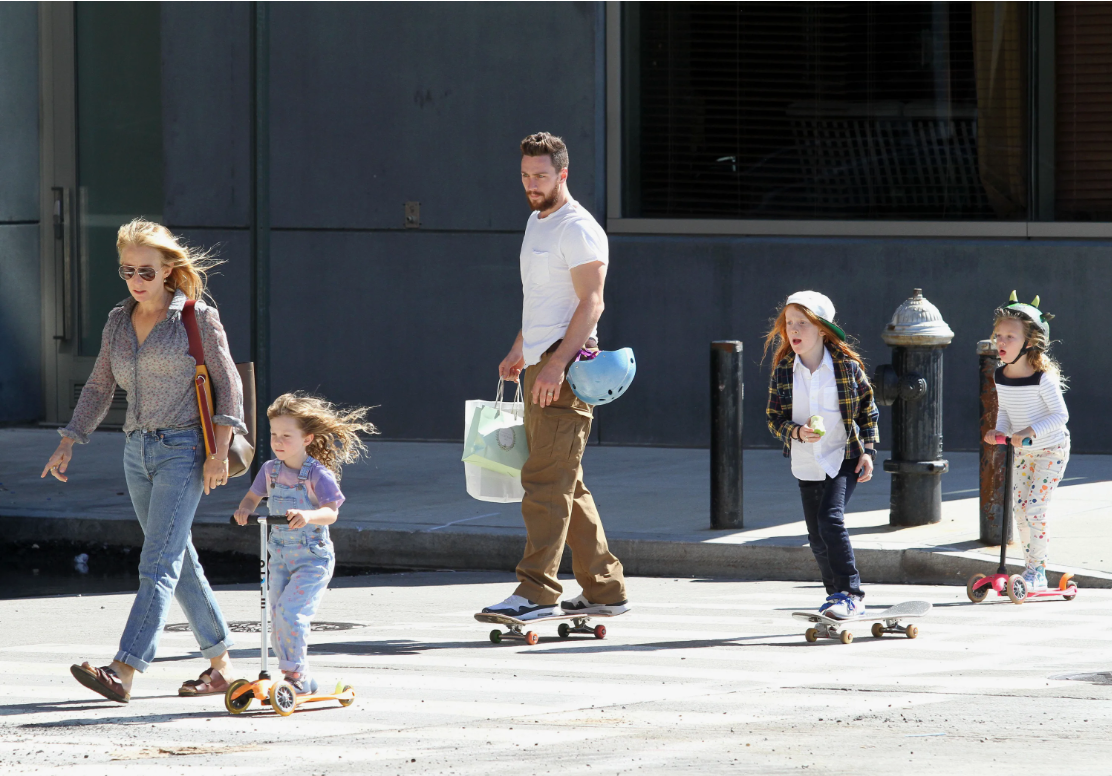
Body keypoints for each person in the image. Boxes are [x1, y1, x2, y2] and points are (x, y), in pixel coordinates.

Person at [42, 218, 247, 703]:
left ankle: (125, 668)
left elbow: (229, 385)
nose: (137, 281)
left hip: (184, 451)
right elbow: (98, 386)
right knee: (180, 559)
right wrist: (70, 438)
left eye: (146, 272)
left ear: (169, 269)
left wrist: (218, 452)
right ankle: (221, 666)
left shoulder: (196, 319)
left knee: (157, 563)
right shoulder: (118, 321)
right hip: (137, 451)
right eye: (128, 271)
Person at [482, 132, 629, 621]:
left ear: (563, 173)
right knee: (567, 480)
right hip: (540, 363)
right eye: (525, 175)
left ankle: (536, 591)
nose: (531, 183)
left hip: (563, 369)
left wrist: (555, 363)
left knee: (546, 480)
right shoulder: (536, 221)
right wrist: (519, 349)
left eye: (540, 175)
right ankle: (605, 588)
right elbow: (544, 299)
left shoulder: (578, 227)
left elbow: (592, 302)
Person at [234, 393, 376, 694]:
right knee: (275, 614)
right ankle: (298, 676)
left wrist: (308, 515)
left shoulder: (317, 474)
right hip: (280, 557)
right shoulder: (269, 470)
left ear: (307, 438)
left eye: (286, 435)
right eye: (274, 435)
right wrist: (246, 509)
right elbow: (252, 496)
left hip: (312, 559)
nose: (278, 441)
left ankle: (295, 677)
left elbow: (330, 513)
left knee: (291, 613)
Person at [764, 291, 878, 619]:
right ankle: (835, 596)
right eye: (789, 324)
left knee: (831, 519)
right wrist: (797, 432)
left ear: (822, 330)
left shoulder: (845, 367)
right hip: (806, 461)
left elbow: (867, 413)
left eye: (803, 323)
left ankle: (851, 592)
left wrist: (868, 451)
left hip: (843, 456)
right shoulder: (785, 370)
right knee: (816, 537)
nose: (794, 330)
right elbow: (774, 418)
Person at [984, 292, 1069, 591]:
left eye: (1010, 336)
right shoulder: (1000, 375)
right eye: (998, 336)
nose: (1001, 342)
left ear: (1030, 343)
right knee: (1019, 510)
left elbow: (1061, 415)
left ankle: (1039, 572)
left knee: (1034, 508)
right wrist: (999, 431)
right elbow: (1006, 411)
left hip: (1051, 450)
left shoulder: (1041, 377)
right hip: (1023, 451)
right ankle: (1029, 567)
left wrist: (1030, 431)